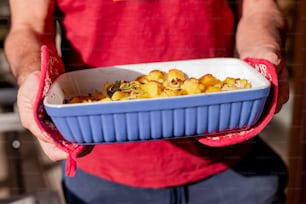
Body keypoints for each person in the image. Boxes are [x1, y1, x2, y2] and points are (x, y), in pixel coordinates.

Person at [4, 0, 290, 203]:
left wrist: (264, 51)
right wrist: (34, 76)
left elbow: (258, 8)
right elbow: (27, 27)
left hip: (235, 171)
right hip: (103, 176)